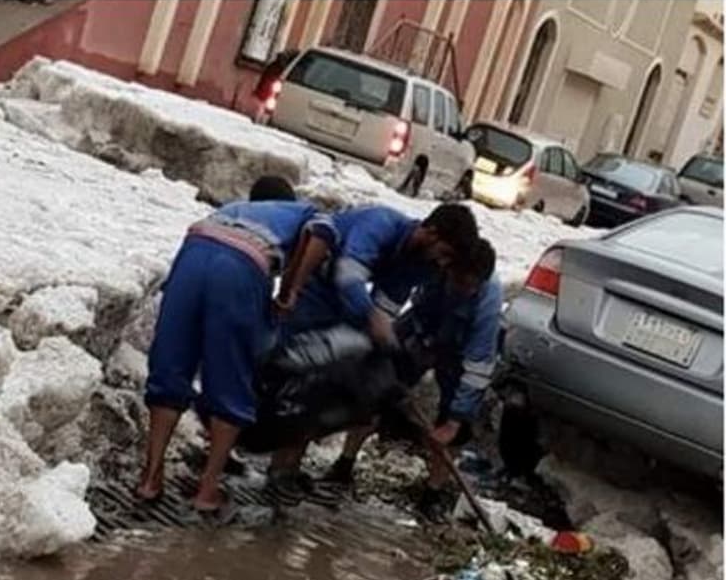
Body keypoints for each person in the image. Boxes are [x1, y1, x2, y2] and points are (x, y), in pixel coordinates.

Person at [136, 176, 319, 514]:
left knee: (171, 363)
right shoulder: (304, 212)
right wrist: (289, 289)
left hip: (193, 251)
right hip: (238, 267)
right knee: (231, 377)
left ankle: (150, 478)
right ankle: (207, 491)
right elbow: (321, 235)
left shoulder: (234, 208)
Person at [266, 202, 481, 489]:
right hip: (314, 289)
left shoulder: (422, 264)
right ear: (430, 232)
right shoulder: (378, 223)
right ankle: (250, 445)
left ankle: (286, 467)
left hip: (347, 305)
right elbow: (348, 276)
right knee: (289, 376)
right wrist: (370, 317)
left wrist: (379, 346)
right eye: (444, 254)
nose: (442, 264)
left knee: (318, 387)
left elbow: (387, 303)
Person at [325, 238, 501, 518]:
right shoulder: (434, 268)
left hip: (458, 351)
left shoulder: (487, 306)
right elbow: (396, 294)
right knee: (374, 389)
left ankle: (432, 493)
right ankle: (344, 464)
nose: (464, 290)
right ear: (449, 270)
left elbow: (478, 367)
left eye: (471, 287)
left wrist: (455, 420)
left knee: (455, 427)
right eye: (459, 283)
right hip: (419, 329)